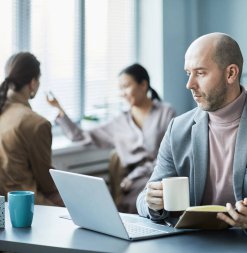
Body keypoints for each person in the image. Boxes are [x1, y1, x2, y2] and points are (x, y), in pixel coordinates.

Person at [137, 33, 247, 234]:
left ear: (231, 73)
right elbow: (144, 198)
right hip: (193, 243)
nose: (189, 84)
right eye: (188, 73)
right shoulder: (177, 129)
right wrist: (153, 204)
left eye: (200, 73)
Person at [47, 63, 175, 213]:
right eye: (120, 89)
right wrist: (60, 110)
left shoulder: (166, 113)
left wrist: (135, 176)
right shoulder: (119, 122)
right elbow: (81, 136)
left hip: (160, 178)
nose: (123, 93)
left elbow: (172, 155)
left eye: (126, 86)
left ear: (143, 85)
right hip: (132, 186)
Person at [0, 52, 63, 206]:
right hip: (27, 206)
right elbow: (47, 183)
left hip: (4, 205)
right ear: (33, 83)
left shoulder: (3, 111)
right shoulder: (36, 124)